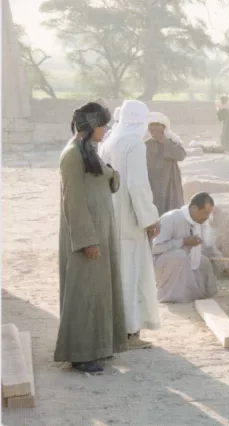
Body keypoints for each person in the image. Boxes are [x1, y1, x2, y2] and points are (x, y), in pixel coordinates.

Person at [55, 102, 128, 373]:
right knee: (83, 292)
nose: (105, 129)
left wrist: (110, 173)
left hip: (100, 233)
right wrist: (88, 240)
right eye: (102, 125)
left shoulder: (88, 151)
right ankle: (80, 352)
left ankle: (99, 347)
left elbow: (105, 179)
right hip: (86, 238)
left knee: (99, 291)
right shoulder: (72, 155)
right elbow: (72, 201)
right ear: (90, 127)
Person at [100, 100, 162, 349]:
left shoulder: (108, 143)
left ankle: (115, 328)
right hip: (128, 219)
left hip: (109, 216)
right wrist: (150, 218)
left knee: (116, 272)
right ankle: (128, 331)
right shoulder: (134, 144)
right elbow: (137, 185)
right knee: (130, 273)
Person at [152, 192, 219, 303]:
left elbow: (207, 245)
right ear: (194, 208)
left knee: (204, 261)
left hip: (184, 258)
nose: (207, 217)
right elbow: (154, 248)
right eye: (205, 213)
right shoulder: (171, 218)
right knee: (180, 255)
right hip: (159, 264)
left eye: (209, 214)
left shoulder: (200, 222)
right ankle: (172, 296)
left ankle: (194, 294)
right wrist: (183, 242)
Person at [146, 111, 186, 217]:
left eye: (156, 125)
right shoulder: (145, 144)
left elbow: (181, 155)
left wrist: (163, 141)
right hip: (153, 186)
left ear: (164, 127)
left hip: (170, 186)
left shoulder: (172, 141)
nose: (153, 128)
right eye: (151, 125)